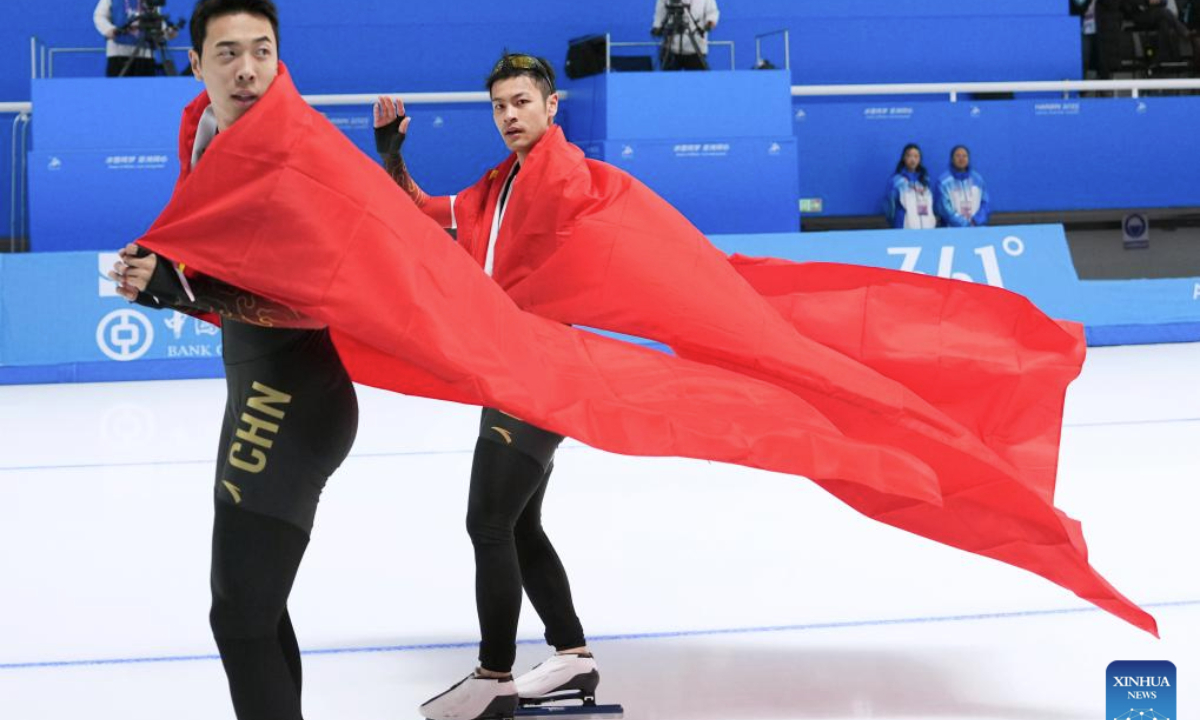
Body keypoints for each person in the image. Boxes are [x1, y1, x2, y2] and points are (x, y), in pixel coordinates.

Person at [107, 2, 359, 718]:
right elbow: (225, 273)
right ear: (195, 64)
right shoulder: (210, 133)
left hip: (296, 393)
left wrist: (177, 289)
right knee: (256, 608)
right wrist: (167, 281)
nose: (247, 69)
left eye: (262, 51)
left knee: (239, 618)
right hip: (258, 389)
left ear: (281, 58)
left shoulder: (295, 156)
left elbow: (307, 304)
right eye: (227, 54)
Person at [373, 55, 603, 720]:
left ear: (551, 106)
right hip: (512, 367)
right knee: (520, 522)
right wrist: (392, 153)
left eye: (522, 102)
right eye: (500, 105)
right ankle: (571, 657)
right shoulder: (500, 183)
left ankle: (493, 676)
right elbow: (421, 211)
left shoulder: (566, 175)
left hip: (542, 369)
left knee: (488, 522)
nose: (509, 116)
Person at [93, 0, 174, 76]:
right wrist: (110, 29)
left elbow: (155, 18)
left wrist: (166, 33)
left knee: (145, 88)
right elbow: (100, 16)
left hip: (145, 53)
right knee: (118, 88)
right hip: (118, 53)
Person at [651, 0, 720, 70]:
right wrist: (657, 27)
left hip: (695, 46)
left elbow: (712, 13)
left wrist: (709, 24)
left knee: (698, 78)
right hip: (671, 47)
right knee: (668, 78)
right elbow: (660, 13)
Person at [883, 143, 936, 229]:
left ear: (920, 159)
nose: (913, 159)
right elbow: (889, 207)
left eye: (916, 156)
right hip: (906, 227)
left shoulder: (925, 180)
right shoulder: (897, 181)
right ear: (904, 158)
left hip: (927, 228)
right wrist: (896, 223)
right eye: (909, 156)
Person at [936, 145, 991, 227]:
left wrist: (976, 220)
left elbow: (985, 203)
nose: (961, 158)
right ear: (952, 159)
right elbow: (944, 209)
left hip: (977, 229)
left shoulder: (978, 180)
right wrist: (964, 224)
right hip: (952, 231)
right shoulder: (943, 182)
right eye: (958, 156)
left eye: (964, 156)